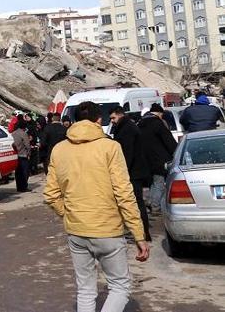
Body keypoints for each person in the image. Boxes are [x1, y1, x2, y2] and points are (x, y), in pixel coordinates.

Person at [44, 101, 149, 312]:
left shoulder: (59, 150)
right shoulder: (110, 147)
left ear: (73, 120)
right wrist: (139, 234)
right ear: (99, 120)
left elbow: (51, 194)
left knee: (85, 289)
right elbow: (124, 194)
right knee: (120, 286)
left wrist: (69, 214)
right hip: (107, 230)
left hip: (77, 231)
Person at [109, 106, 152, 241]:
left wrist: (122, 172)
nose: (111, 121)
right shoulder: (126, 126)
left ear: (120, 115)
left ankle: (142, 232)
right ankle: (141, 232)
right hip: (135, 171)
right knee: (136, 202)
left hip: (133, 173)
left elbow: (127, 153)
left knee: (135, 203)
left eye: (113, 118)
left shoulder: (127, 129)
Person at [138, 103, 177, 215]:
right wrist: (176, 152)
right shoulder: (158, 123)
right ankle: (155, 206)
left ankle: (150, 202)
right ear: (159, 113)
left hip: (144, 159)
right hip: (159, 159)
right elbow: (169, 141)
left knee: (152, 182)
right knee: (159, 182)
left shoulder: (140, 123)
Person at [11, 115, 32, 192]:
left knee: (18, 172)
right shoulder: (24, 134)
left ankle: (19, 187)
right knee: (25, 172)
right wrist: (29, 153)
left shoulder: (13, 133)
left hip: (16, 155)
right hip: (23, 155)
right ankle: (24, 187)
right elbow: (27, 145)